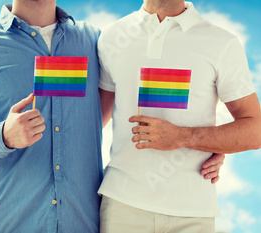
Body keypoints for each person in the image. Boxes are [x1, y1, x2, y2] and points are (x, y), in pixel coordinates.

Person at [0, 0, 223, 232]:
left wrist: (201, 142)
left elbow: (144, 92)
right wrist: (2, 136)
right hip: (12, 222)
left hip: (83, 223)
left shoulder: (96, 41)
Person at [97, 0, 261, 232]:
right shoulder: (112, 36)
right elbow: (92, 123)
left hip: (193, 213)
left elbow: (255, 131)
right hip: (122, 207)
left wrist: (185, 137)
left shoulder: (221, 42)